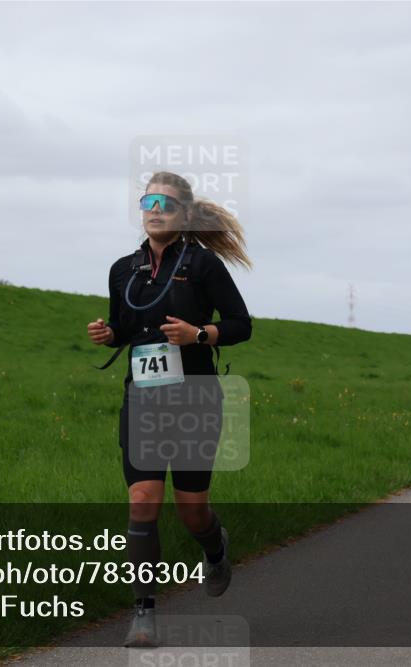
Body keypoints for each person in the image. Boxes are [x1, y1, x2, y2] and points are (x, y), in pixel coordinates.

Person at [87, 170, 252, 648]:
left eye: (165, 202)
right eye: (148, 200)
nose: (154, 208)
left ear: (184, 214)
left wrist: (200, 334)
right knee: (142, 501)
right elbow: (125, 325)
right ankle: (143, 613)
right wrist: (110, 334)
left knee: (191, 509)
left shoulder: (204, 266)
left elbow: (242, 325)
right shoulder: (123, 269)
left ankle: (214, 546)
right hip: (142, 398)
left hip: (194, 398)